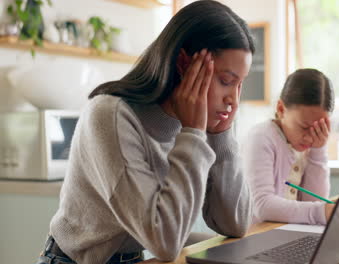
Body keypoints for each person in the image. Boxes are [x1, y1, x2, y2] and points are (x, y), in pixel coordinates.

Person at [35, 1, 254, 263]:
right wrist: (194, 133)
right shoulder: (110, 116)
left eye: (240, 85)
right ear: (185, 64)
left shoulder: (193, 123)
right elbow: (164, 241)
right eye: (226, 81)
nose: (234, 99)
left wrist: (221, 134)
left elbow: (236, 223)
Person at [243, 68, 335, 225]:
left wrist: (318, 150)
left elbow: (313, 200)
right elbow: (262, 205)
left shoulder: (307, 146)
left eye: (318, 128)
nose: (310, 137)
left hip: (286, 235)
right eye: (304, 127)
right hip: (255, 236)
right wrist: (321, 211)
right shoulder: (261, 137)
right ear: (280, 109)